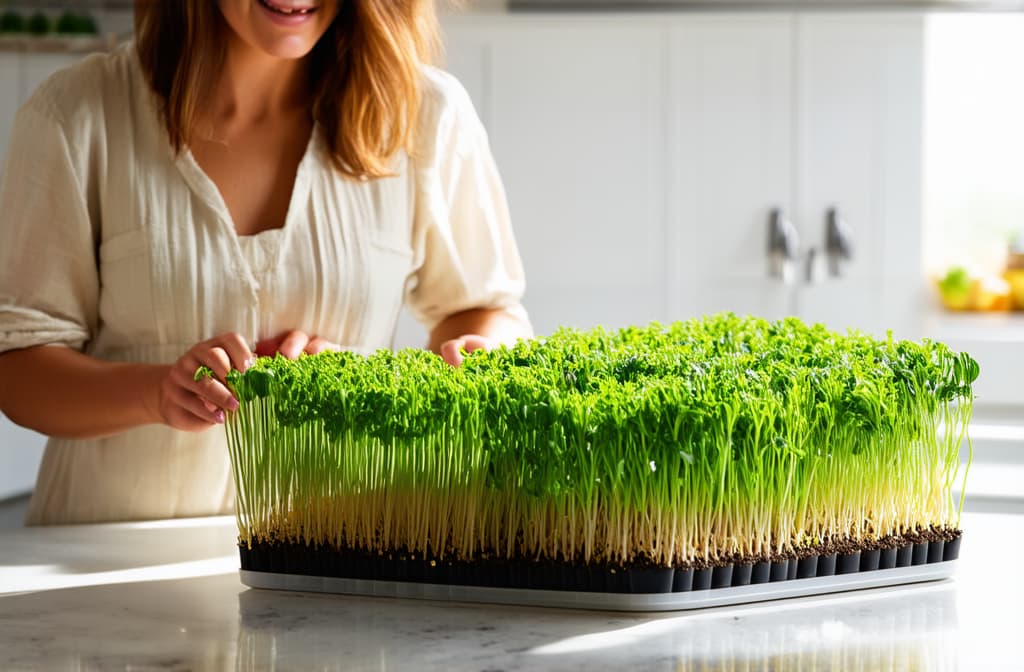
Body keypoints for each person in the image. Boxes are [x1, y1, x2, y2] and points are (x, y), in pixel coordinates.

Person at [0, 0, 531, 525]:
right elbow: (18, 371)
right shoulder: (76, 113)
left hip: (336, 550)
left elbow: (489, 312)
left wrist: (407, 376)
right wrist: (156, 391)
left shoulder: (428, 114)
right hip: (99, 563)